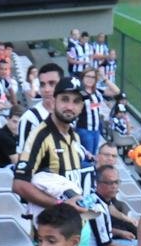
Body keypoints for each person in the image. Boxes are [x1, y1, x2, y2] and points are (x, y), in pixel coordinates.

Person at [13, 75, 91, 219]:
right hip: (50, 228)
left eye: (76, 101)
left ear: (81, 107)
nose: (70, 107)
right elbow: (19, 184)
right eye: (65, 99)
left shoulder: (74, 135)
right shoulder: (40, 135)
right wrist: (60, 204)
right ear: (54, 101)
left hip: (72, 223)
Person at [18, 62, 62, 152]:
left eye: (52, 83)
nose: (46, 89)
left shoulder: (66, 112)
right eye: (42, 84)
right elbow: (24, 157)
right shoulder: (30, 118)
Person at [74, 65, 117, 156]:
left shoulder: (97, 92)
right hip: (84, 129)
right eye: (88, 76)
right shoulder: (78, 92)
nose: (90, 79)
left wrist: (104, 78)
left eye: (93, 77)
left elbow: (116, 91)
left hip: (96, 130)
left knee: (93, 156)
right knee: (87, 156)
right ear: (83, 77)